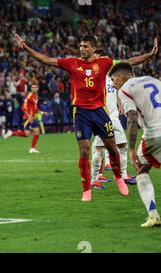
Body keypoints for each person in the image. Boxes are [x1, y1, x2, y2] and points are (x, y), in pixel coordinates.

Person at [14, 33, 157, 201]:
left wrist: (149, 55)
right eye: (80, 46)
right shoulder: (72, 63)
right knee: (84, 151)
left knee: (112, 147)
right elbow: (46, 59)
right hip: (81, 113)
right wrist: (26, 48)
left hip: (99, 112)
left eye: (85, 46)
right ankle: (86, 190)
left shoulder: (104, 63)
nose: (82, 49)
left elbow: (128, 62)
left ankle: (119, 178)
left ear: (93, 48)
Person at [89, 49, 152, 189]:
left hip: (114, 117)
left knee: (123, 146)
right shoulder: (94, 77)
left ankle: (124, 176)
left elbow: (130, 63)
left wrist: (119, 103)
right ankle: (94, 180)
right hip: (102, 117)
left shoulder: (112, 77)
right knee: (98, 149)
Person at [110, 62, 161, 227]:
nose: (113, 84)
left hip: (154, 135)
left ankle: (153, 216)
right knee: (143, 168)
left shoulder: (125, 89)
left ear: (121, 77)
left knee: (140, 170)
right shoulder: (154, 80)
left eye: (113, 80)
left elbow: (131, 117)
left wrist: (131, 149)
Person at [4, 82, 47, 153]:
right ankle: (12, 133)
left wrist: (42, 112)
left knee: (37, 132)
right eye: (32, 87)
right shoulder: (29, 96)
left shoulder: (36, 97)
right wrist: (29, 116)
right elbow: (23, 107)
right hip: (28, 118)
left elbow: (35, 108)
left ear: (37, 88)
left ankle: (32, 148)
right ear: (31, 88)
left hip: (33, 117)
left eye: (35, 87)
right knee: (27, 134)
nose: (34, 88)